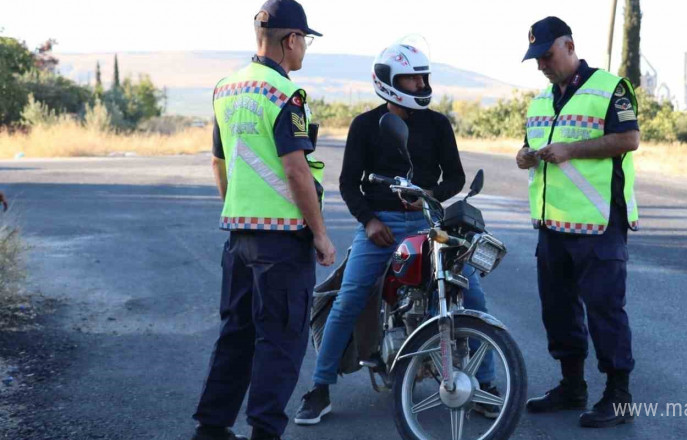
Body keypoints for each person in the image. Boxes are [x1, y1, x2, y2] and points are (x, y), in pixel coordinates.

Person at [294, 42, 499, 425]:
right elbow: (349, 183)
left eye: (424, 76)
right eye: (412, 77)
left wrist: (431, 196)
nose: (421, 84)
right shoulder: (364, 125)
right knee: (349, 297)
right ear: (389, 81)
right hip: (380, 227)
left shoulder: (437, 124)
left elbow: (453, 176)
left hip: (428, 222)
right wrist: (370, 221)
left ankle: (486, 384)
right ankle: (319, 388)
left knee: (473, 296)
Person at [190, 1, 335, 439]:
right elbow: (296, 170)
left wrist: (236, 208)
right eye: (305, 41)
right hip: (283, 242)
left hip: (239, 235)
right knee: (281, 340)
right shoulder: (284, 94)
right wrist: (321, 235)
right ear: (290, 40)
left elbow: (218, 163)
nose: (305, 50)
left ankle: (211, 428)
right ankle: (265, 432)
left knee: (235, 334)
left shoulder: (226, 88)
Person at [516, 17, 640, 428]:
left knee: (605, 308)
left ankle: (618, 396)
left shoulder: (609, 88)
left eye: (547, 56)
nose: (541, 66)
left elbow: (628, 139)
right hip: (553, 223)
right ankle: (572, 387)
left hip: (599, 222)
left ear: (569, 46)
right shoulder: (539, 101)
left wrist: (571, 149)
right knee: (558, 309)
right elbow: (531, 148)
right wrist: (524, 156)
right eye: (536, 59)